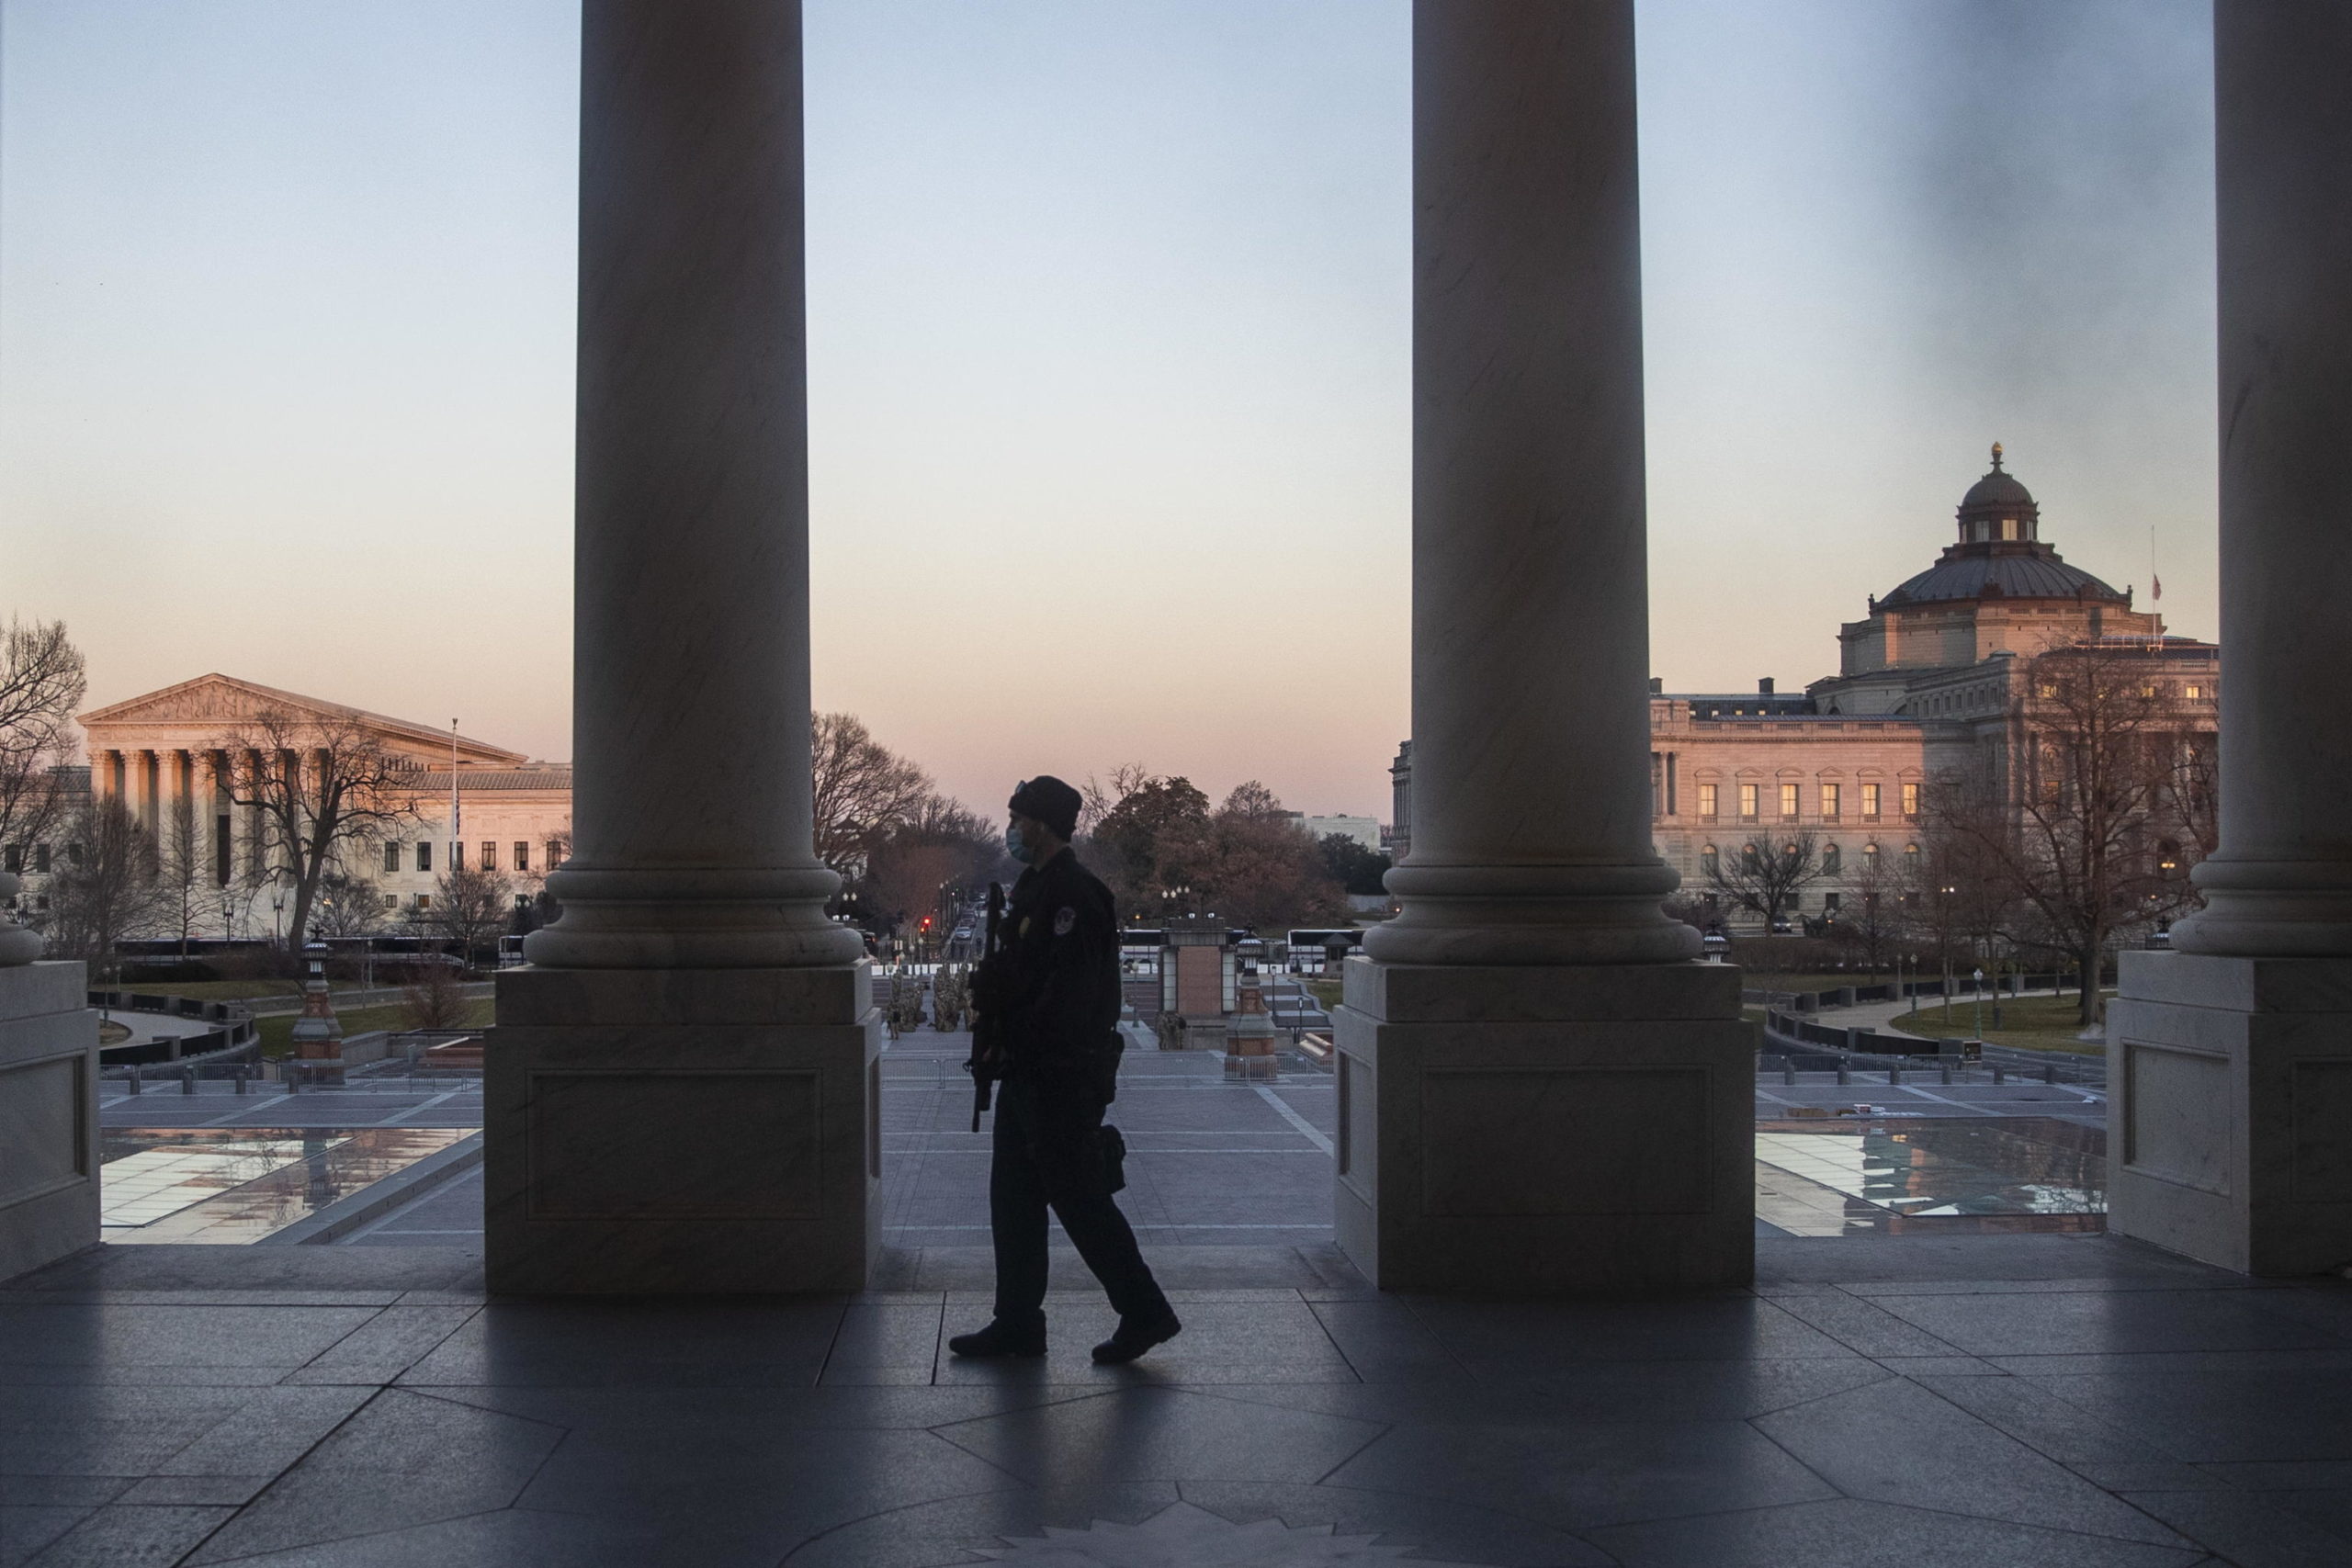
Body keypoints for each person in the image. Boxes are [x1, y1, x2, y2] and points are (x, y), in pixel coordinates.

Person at [947, 774, 1182, 1365]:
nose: (1012, 828)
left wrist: (1014, 1017)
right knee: (1014, 1200)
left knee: (1081, 1200)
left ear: (1042, 824)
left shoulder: (1076, 895)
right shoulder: (1035, 888)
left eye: (1018, 817)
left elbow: (1073, 996)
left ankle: (1145, 1311)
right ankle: (1018, 1321)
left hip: (1060, 1074)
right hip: (1026, 1070)